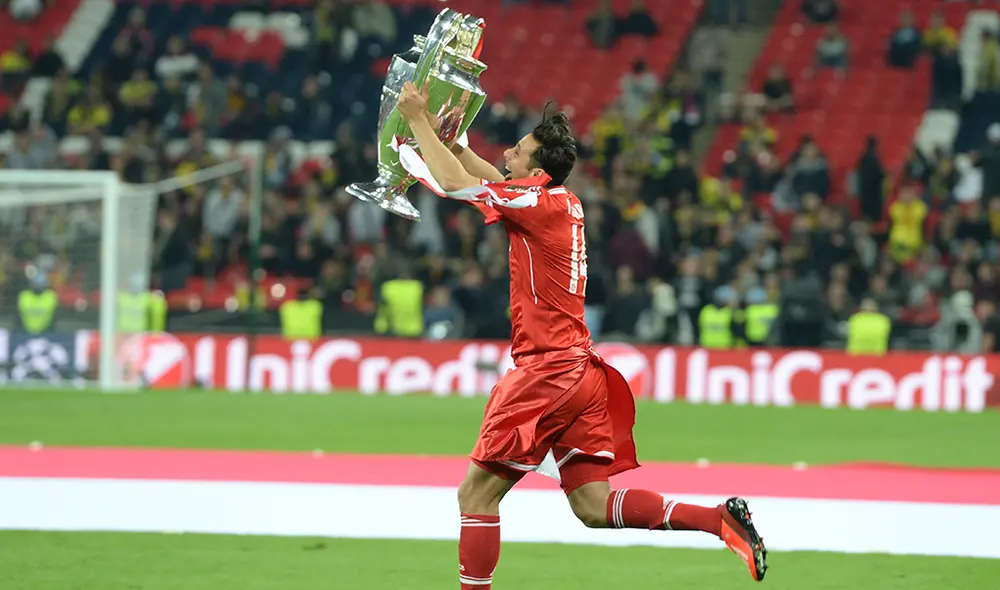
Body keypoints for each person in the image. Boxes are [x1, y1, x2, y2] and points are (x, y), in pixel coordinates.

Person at [393, 80, 769, 587]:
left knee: (475, 496)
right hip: (580, 373)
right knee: (591, 505)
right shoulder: (561, 201)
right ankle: (718, 519)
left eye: (518, 150)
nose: (506, 152)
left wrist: (417, 120)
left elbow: (457, 184)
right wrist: (454, 143)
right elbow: (481, 178)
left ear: (537, 170)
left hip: (546, 373)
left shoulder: (538, 206)